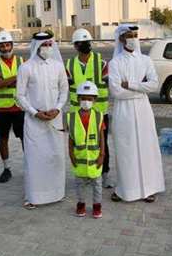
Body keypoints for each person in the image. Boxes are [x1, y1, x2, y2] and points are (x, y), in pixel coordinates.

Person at [108, 24, 165, 203]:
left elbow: (154, 85)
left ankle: (149, 188)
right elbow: (116, 91)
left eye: (135, 35)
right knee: (126, 149)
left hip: (143, 110)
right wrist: (141, 88)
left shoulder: (145, 60)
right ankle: (125, 189)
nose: (132, 38)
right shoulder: (115, 63)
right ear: (122, 39)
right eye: (128, 35)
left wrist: (131, 85)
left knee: (146, 147)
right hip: (123, 111)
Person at [16, 32, 69, 209]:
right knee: (35, 158)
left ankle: (56, 193)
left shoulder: (58, 67)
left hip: (55, 119)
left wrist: (58, 108)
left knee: (56, 156)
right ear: (36, 46)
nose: (47, 48)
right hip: (34, 121)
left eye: (49, 44)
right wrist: (34, 112)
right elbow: (20, 96)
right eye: (43, 44)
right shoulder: (26, 68)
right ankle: (34, 196)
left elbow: (64, 91)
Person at [66, 28, 113, 188]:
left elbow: (108, 84)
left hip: (99, 112)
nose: (85, 45)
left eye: (87, 42)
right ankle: (84, 172)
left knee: (101, 143)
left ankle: (103, 173)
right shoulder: (70, 64)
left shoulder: (101, 63)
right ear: (75, 46)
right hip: (77, 114)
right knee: (80, 144)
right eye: (81, 43)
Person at [0, 30, 25, 183]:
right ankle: (6, 168)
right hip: (0, 109)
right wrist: (16, 78)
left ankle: (29, 166)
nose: (5, 48)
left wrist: (4, 80)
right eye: (2, 46)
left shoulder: (22, 61)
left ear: (12, 45)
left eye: (7, 44)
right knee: (3, 139)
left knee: (25, 139)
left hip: (20, 107)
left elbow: (27, 82)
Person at [67, 81, 105, 219]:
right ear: (78, 99)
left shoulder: (99, 116)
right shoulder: (71, 117)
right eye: (83, 98)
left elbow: (102, 136)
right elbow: (70, 137)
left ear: (94, 100)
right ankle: (81, 204)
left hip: (95, 158)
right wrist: (70, 153)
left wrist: (102, 154)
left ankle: (97, 206)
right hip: (80, 158)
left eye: (89, 99)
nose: (86, 101)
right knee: (79, 185)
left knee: (97, 185)